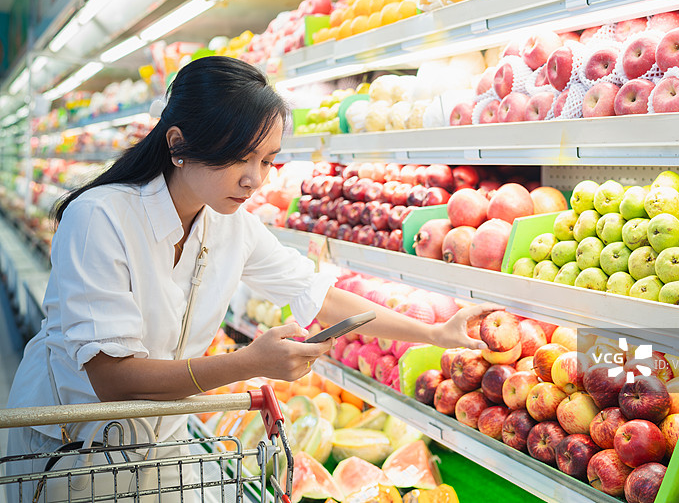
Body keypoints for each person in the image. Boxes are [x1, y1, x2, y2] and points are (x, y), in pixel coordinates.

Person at [3, 56, 493, 500]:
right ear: (178, 144)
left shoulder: (230, 225)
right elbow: (113, 379)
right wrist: (248, 363)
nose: (254, 179)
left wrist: (435, 334)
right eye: (239, 156)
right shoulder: (99, 218)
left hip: (161, 441)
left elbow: (319, 296)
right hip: (70, 446)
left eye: (266, 160)